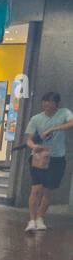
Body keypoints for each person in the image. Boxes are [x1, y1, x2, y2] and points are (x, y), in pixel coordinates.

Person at [24, 92, 73, 232]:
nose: (46, 104)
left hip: (57, 158)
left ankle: (40, 218)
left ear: (56, 104)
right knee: (35, 189)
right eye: (44, 101)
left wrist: (53, 128)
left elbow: (71, 123)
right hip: (39, 158)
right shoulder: (36, 118)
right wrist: (34, 147)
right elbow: (29, 139)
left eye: (49, 101)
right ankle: (32, 220)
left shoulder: (64, 113)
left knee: (47, 190)